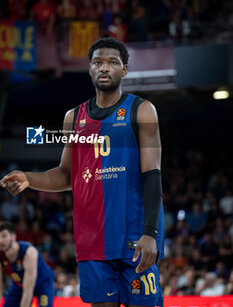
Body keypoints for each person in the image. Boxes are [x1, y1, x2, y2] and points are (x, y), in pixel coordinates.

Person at [1, 37, 164, 307]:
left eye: (112, 63)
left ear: (124, 70)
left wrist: (150, 233)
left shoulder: (142, 110)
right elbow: (67, 176)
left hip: (135, 238)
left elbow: (152, 174)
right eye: (97, 62)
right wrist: (29, 178)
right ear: (89, 68)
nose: (104, 68)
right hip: (93, 242)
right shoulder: (73, 118)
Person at [0, 221, 54, 307]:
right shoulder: (1, 253)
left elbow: (28, 290)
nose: (0, 240)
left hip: (43, 284)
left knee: (45, 305)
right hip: (19, 285)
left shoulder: (29, 253)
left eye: (4, 236)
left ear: (14, 237)